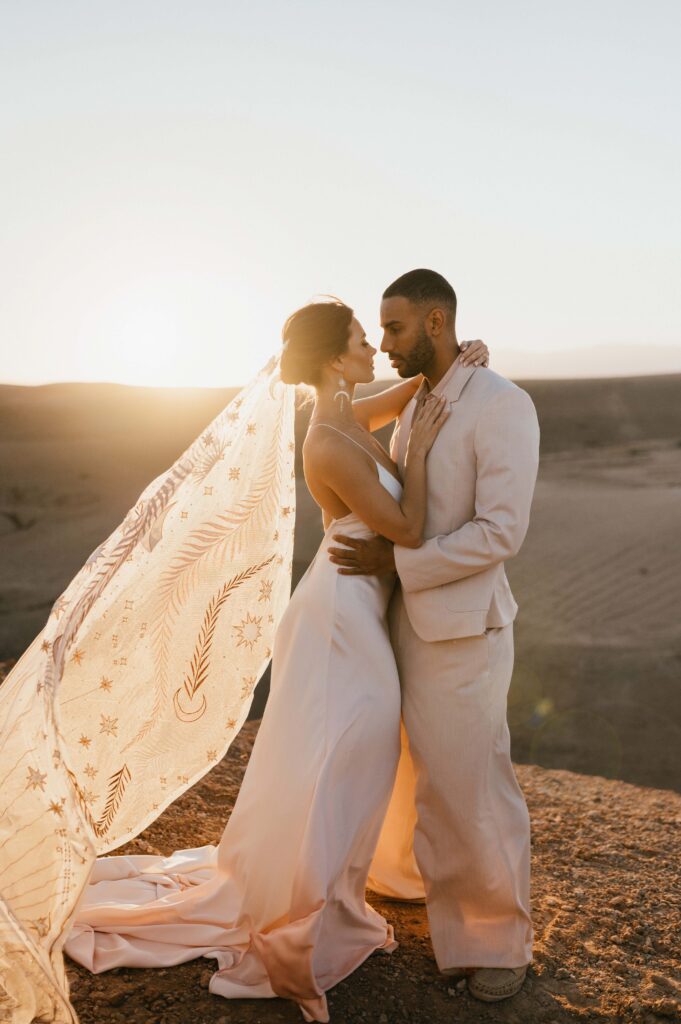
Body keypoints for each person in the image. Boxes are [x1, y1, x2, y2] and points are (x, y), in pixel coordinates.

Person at [63, 299, 489, 1023]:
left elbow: (413, 391)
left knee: (351, 755)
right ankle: (308, 902)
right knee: (346, 752)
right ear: (333, 357)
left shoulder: (350, 411)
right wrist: (422, 452)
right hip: (335, 622)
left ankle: (329, 888)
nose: (370, 348)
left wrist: (456, 361)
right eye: (360, 339)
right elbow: (409, 527)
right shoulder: (326, 441)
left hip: (357, 615)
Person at [329, 269, 540, 1003]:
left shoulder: (502, 405)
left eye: (394, 329)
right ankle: (413, 884)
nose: (383, 343)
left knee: (470, 788)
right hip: (401, 626)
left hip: (462, 632)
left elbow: (500, 531)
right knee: (415, 775)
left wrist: (400, 559)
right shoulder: (419, 399)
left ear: (435, 323)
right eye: (377, 331)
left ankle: (496, 942)